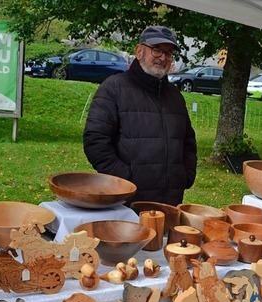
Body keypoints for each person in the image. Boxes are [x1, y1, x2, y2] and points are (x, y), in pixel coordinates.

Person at [83, 26, 197, 205]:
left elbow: (188, 142)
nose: (163, 57)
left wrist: (185, 176)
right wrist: (126, 180)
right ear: (139, 51)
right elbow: (95, 141)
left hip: (170, 202)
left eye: (168, 52)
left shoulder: (175, 96)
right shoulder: (114, 88)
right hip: (127, 202)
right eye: (157, 50)